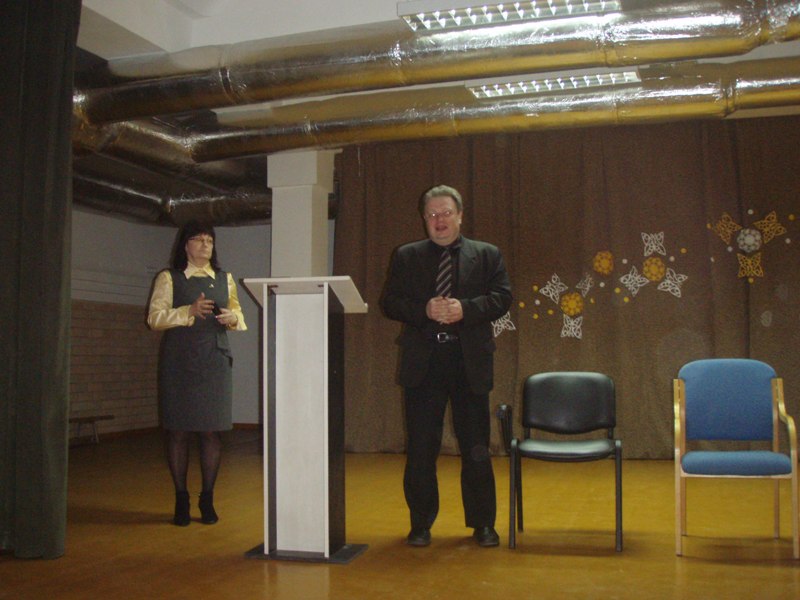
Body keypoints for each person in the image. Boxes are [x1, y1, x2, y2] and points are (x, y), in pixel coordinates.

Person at [381, 184, 512, 547]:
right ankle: (421, 524)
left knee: (476, 448)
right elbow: (389, 302)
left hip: (469, 362)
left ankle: (483, 524)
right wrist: (423, 309)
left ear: (460, 216)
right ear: (424, 219)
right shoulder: (406, 256)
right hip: (424, 364)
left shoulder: (487, 254)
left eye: (446, 213)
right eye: (432, 215)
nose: (439, 220)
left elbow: (503, 297)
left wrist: (465, 309)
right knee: (421, 449)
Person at [146, 221, 247, 526]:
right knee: (177, 431)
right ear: (185, 245)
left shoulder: (225, 279)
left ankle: (207, 498)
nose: (205, 245)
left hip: (214, 361)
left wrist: (231, 318)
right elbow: (154, 319)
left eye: (210, 241)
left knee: (211, 432)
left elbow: (239, 317)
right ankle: (181, 498)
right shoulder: (169, 277)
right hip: (179, 362)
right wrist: (187, 311)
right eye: (199, 240)